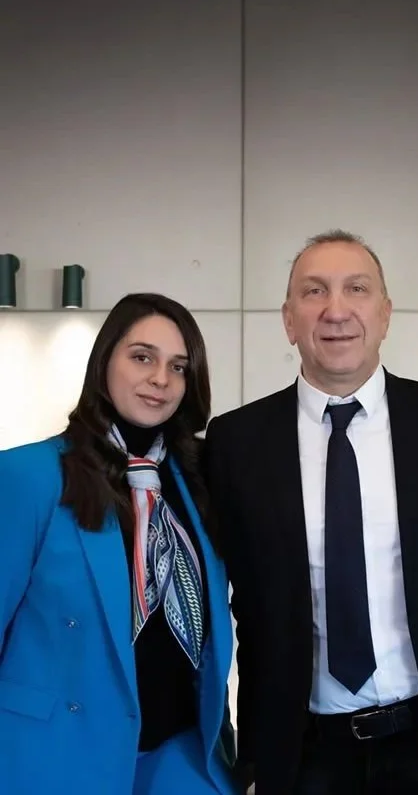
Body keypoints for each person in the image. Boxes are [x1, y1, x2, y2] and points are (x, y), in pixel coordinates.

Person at [206, 229, 418, 795]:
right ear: (288, 320)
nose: (336, 310)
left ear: (385, 314)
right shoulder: (236, 442)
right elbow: (237, 600)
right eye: (314, 291)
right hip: (304, 755)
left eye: (357, 289)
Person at [0, 293, 242, 795]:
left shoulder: (202, 483)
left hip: (183, 758)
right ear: (105, 361)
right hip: (54, 757)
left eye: (178, 367)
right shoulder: (29, 475)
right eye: (142, 357)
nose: (160, 379)